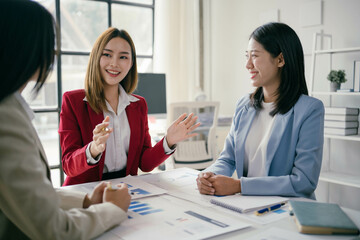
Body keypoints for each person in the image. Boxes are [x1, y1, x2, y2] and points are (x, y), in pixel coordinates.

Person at [0, 1, 131, 239]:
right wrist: (112, 209)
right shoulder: (7, 119)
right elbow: (54, 229)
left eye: (124, 57)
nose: (54, 53)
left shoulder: (137, 104)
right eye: (49, 44)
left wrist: (86, 200)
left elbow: (29, 193)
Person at [196, 22, 324, 200]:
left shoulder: (309, 109)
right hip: (248, 206)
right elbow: (228, 158)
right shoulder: (244, 104)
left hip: (287, 208)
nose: (248, 65)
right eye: (246, 56)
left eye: (254, 56)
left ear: (280, 59)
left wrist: (239, 186)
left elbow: (304, 181)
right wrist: (207, 176)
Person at [59, 27, 200, 186]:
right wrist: (93, 148)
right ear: (96, 58)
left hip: (126, 190)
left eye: (123, 57)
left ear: (131, 63)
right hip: (84, 192)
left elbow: (145, 164)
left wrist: (169, 141)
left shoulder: (138, 105)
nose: (114, 63)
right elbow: (68, 166)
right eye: (107, 54)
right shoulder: (73, 101)